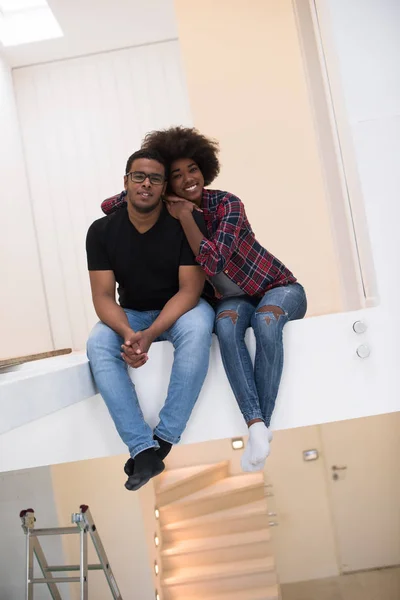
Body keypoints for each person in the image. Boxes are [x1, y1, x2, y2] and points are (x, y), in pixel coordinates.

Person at [101, 128, 307, 472]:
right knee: (224, 328)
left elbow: (212, 262)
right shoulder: (166, 204)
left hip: (275, 287)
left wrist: (185, 217)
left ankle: (259, 426)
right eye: (176, 175)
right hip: (232, 299)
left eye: (193, 169)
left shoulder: (226, 203)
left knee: (266, 321)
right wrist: (156, 189)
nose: (187, 179)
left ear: (205, 170)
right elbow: (110, 206)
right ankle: (258, 428)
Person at [86, 148, 214, 491]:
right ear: (126, 181)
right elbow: (102, 296)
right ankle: (143, 449)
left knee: (201, 326)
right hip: (131, 312)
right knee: (98, 344)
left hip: (180, 308)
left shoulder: (184, 224)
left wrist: (150, 333)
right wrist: (129, 332)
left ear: (162, 187)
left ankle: (166, 439)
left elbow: (190, 290)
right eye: (139, 176)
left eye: (155, 178)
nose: (146, 184)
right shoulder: (101, 231)